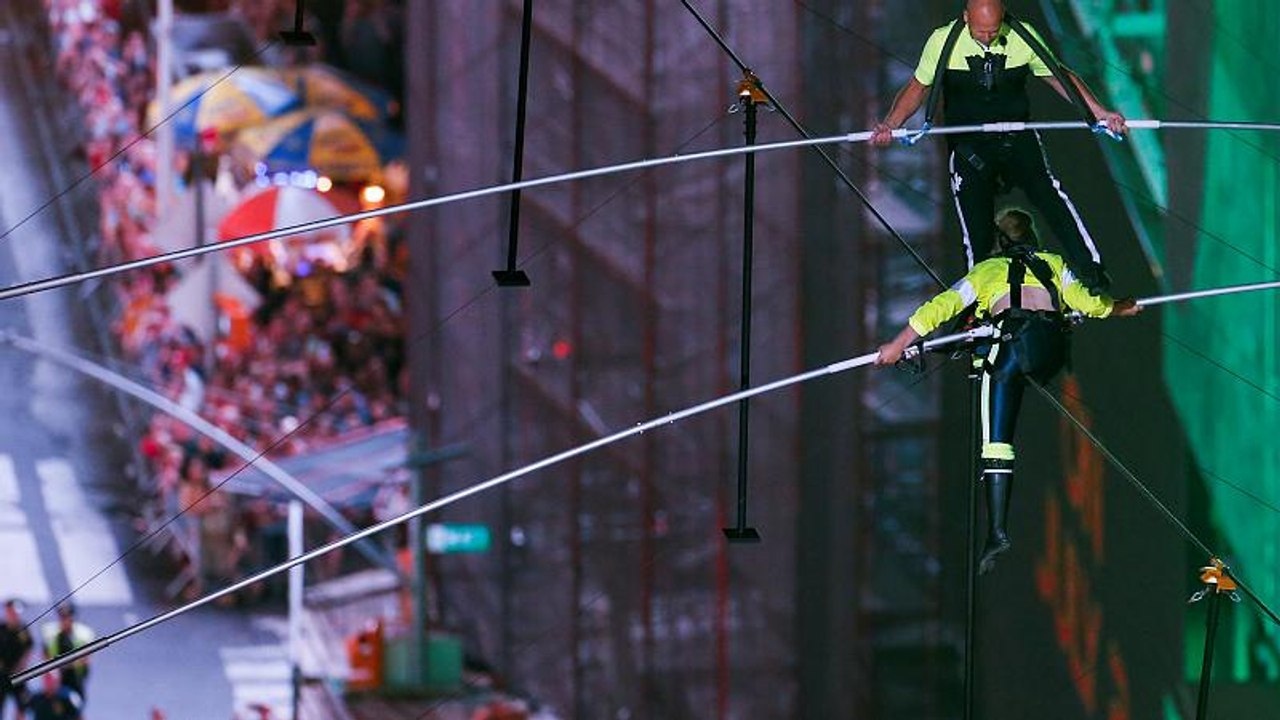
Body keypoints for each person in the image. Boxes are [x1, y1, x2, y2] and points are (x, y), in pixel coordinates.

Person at [876, 209, 1141, 574]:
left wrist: (897, 344)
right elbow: (1091, 305)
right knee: (988, 348)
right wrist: (1119, 308)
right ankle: (978, 352)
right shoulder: (1053, 263)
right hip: (1049, 352)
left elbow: (941, 307)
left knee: (996, 440)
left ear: (1000, 241)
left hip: (1013, 348)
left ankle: (997, 531)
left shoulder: (987, 270)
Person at [870, 0, 1125, 294]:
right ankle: (979, 298)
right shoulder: (942, 41)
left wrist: (1100, 113)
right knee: (976, 230)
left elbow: (1060, 77)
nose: (988, 38)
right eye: (981, 32)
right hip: (970, 147)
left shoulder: (1023, 35)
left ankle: (1092, 273)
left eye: (994, 31)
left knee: (1051, 197)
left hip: (1017, 137)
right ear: (966, 18)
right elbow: (918, 87)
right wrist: (891, 124)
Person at [39, 604, 93, 710]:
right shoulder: (51, 634)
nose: (65, 620)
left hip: (76, 679)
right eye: (62, 617)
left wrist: (65, 665)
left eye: (68, 617)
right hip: (57, 680)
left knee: (76, 709)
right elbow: (45, 656)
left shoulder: (83, 634)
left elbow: (86, 659)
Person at [0, 599, 33, 716]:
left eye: (15, 613)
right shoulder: (1, 629)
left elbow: (28, 650)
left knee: (22, 706)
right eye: (10, 612)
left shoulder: (24, 631)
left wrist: (20, 667)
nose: (13, 615)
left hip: (18, 675)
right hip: (1, 675)